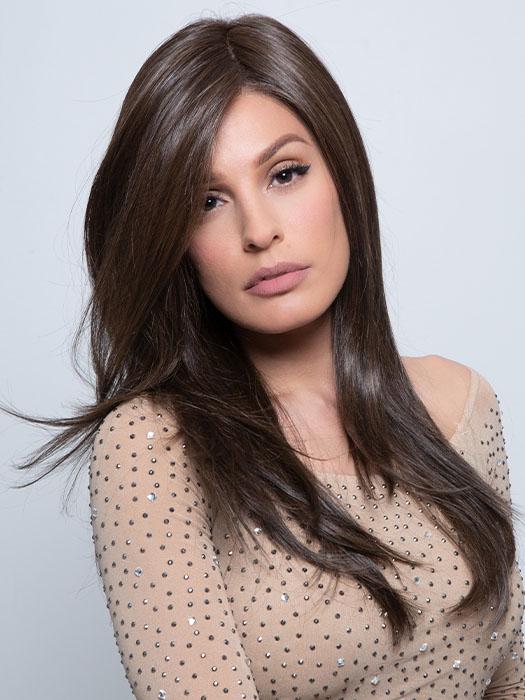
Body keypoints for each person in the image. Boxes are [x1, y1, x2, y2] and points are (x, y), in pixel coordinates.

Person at [6, 12, 524, 699]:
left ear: (342, 176)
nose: (259, 230)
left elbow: (511, 678)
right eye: (207, 201)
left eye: (285, 173)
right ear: (172, 239)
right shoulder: (155, 444)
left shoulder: (462, 403)